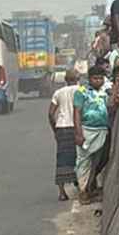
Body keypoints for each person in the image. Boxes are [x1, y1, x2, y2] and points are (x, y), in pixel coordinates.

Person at [73, 67, 119, 204]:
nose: (98, 81)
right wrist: (78, 133)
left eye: (101, 78)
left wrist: (116, 90)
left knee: (96, 162)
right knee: (83, 162)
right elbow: (77, 112)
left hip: (101, 130)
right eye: (95, 78)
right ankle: (82, 191)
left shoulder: (105, 92)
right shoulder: (81, 92)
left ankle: (89, 189)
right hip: (86, 129)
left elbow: (111, 106)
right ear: (89, 78)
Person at [48, 71, 80, 201]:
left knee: (62, 159)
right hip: (78, 127)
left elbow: (51, 114)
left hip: (62, 128)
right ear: (78, 79)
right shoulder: (82, 90)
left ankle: (62, 192)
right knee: (80, 157)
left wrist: (55, 130)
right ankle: (81, 187)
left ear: (65, 80)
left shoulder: (58, 93)